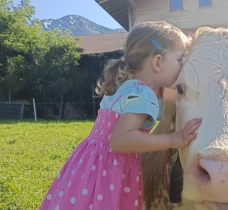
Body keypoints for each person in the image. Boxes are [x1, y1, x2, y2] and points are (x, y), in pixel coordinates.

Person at [39, 21, 202, 210]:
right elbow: (120, 140)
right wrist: (175, 139)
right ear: (157, 62)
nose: (183, 67)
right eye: (180, 60)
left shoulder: (126, 86)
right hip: (112, 172)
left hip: (90, 165)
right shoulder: (145, 95)